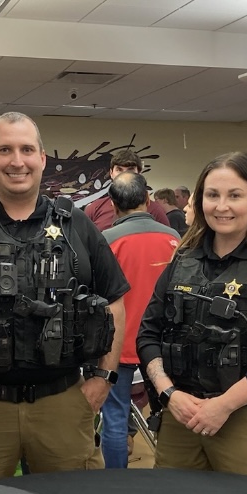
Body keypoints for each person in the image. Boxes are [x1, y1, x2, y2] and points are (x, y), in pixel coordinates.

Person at [0, 112, 129, 480]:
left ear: (42, 158)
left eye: (26, 149)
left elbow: (114, 299)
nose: (16, 161)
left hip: (62, 402)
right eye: (5, 150)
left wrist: (104, 376)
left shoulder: (76, 224)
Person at [137, 152, 247, 478]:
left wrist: (224, 405)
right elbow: (148, 333)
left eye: (235, 195)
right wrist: (168, 393)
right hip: (181, 416)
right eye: (212, 195)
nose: (222, 206)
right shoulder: (182, 260)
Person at [101, 172, 180, 469]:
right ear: (147, 199)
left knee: (115, 418)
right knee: (173, 418)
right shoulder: (175, 239)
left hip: (118, 346)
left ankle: (116, 486)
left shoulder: (106, 241)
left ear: (112, 204)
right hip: (163, 346)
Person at [84, 149, 171, 230]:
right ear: (111, 173)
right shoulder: (94, 208)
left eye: (130, 170)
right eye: (119, 170)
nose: (124, 175)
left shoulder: (155, 210)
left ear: (139, 173)